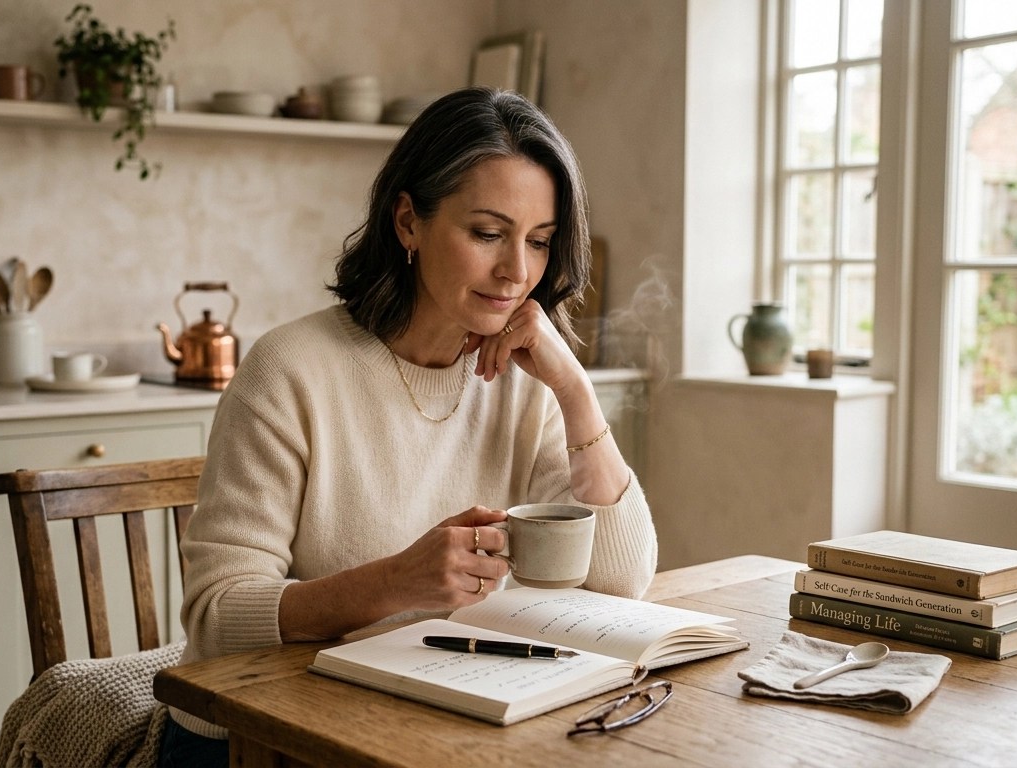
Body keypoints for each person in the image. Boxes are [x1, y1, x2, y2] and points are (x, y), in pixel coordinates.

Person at [158, 86, 657, 766]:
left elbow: (620, 582)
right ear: (407, 222)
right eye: (487, 234)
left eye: (538, 242)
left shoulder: (526, 383)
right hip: (259, 740)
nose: (517, 271)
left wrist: (575, 389)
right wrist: (394, 582)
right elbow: (217, 619)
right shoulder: (289, 370)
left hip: (424, 723)